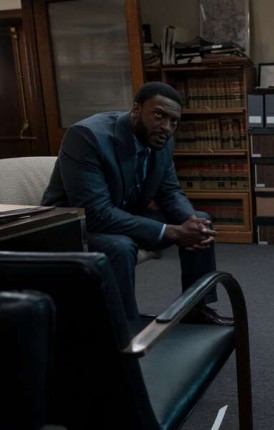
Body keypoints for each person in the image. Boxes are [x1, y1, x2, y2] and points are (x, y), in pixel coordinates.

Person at [41, 81, 233, 325]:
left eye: (174, 121)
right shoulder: (86, 136)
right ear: (136, 110)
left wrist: (190, 220)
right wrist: (172, 231)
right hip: (74, 225)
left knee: (201, 223)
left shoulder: (163, 140)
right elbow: (96, 213)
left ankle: (196, 309)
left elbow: (169, 192)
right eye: (159, 115)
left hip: (121, 213)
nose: (167, 127)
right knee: (120, 246)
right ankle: (123, 328)